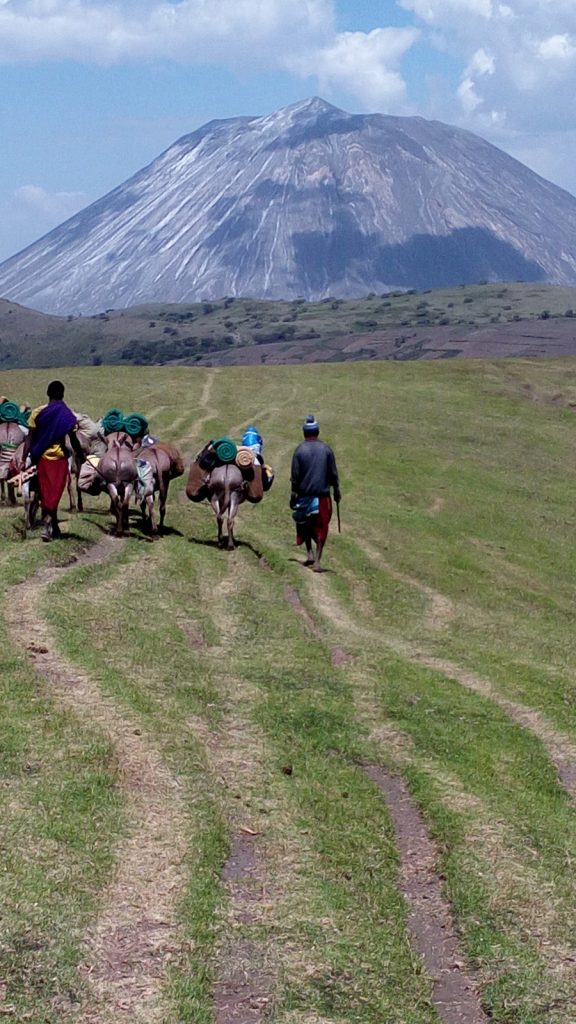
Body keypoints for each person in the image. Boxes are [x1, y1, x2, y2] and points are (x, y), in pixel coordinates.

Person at [24, 380, 83, 542]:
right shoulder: (67, 415)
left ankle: (51, 524)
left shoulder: (37, 412)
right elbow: (74, 439)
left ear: (48, 394)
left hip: (41, 459)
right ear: (63, 395)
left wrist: (24, 459)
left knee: (45, 493)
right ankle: (49, 522)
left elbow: (29, 439)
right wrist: (81, 455)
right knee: (55, 494)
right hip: (59, 460)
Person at [290, 414, 340, 571]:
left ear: (304, 433)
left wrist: (293, 495)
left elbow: (295, 477)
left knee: (304, 525)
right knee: (321, 527)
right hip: (322, 496)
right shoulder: (326, 450)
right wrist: (337, 490)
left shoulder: (299, 451)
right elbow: (333, 474)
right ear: (317, 432)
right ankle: (317, 560)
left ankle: (309, 552)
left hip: (304, 495)